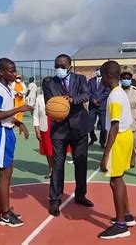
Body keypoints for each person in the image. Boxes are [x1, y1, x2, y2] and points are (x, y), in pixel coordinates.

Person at [42, 54, 94, 217]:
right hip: (59, 129)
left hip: (79, 127)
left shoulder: (80, 79)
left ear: (70, 66)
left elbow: (86, 95)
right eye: (57, 65)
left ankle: (80, 195)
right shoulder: (49, 83)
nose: (59, 69)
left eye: (63, 66)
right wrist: (59, 106)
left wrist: (72, 99)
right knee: (57, 166)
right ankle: (55, 200)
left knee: (81, 163)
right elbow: (50, 103)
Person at [0, 58, 32, 227]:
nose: (14, 73)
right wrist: (20, 109)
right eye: (11, 71)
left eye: (15, 70)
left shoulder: (7, 89)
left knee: (8, 171)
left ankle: (2, 211)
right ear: (1, 72)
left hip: (6, 131)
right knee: (4, 172)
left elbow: (5, 113)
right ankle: (4, 214)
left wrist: (20, 123)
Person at [98, 60, 135, 239]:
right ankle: (127, 216)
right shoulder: (120, 92)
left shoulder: (114, 96)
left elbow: (114, 126)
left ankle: (121, 225)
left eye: (102, 75)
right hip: (126, 135)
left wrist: (105, 155)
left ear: (109, 76)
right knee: (119, 178)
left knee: (115, 181)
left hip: (118, 138)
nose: (101, 78)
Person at [33, 77, 73, 179]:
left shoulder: (60, 98)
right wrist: (37, 130)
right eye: (45, 84)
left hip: (58, 126)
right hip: (45, 127)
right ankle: (51, 170)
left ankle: (58, 169)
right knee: (48, 151)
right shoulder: (39, 99)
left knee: (59, 150)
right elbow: (36, 115)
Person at [88, 67, 110, 148]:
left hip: (103, 106)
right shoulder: (91, 81)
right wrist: (93, 100)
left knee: (104, 127)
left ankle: (102, 142)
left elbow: (107, 91)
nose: (98, 72)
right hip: (92, 106)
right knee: (89, 124)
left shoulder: (106, 81)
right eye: (97, 70)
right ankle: (93, 137)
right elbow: (87, 91)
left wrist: (99, 100)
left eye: (99, 70)